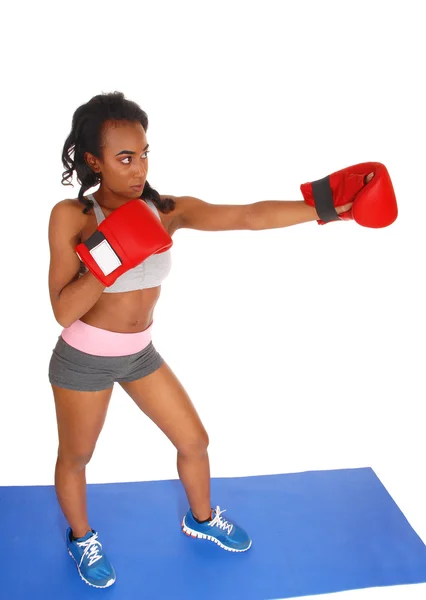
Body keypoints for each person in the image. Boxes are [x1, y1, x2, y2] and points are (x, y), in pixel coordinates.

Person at [48, 91, 376, 589]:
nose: (139, 168)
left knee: (194, 440)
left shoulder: (165, 209)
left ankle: (200, 520)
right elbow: (61, 309)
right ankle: (81, 538)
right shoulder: (71, 216)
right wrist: (111, 252)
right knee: (77, 457)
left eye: (144, 154)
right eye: (124, 158)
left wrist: (327, 210)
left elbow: (245, 215)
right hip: (84, 358)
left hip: (139, 354)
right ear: (93, 160)